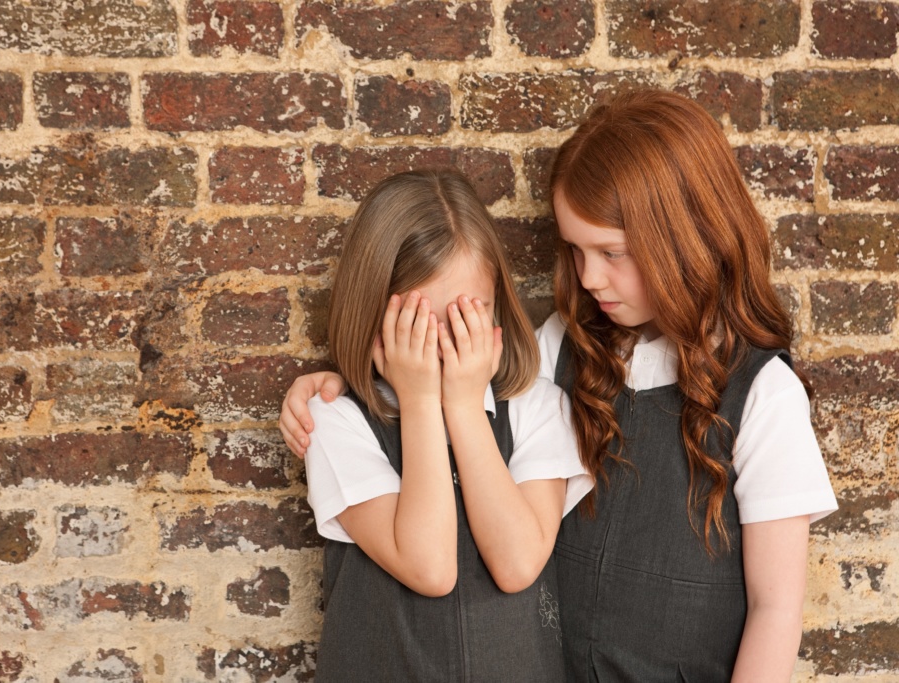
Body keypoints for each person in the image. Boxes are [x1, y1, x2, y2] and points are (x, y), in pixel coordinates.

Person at [280, 90, 837, 682]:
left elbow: (776, 608)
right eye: (575, 250)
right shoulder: (559, 349)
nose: (590, 276)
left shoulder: (764, 395)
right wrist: (346, 380)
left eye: (612, 252)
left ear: (689, 237)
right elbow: (471, 391)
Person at [304, 169, 590, 682]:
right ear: (373, 312)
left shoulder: (538, 407)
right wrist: (418, 403)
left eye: (467, 314)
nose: (442, 341)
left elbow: (518, 563)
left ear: (496, 304)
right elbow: (430, 567)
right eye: (418, 321)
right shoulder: (337, 423)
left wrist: (461, 407)